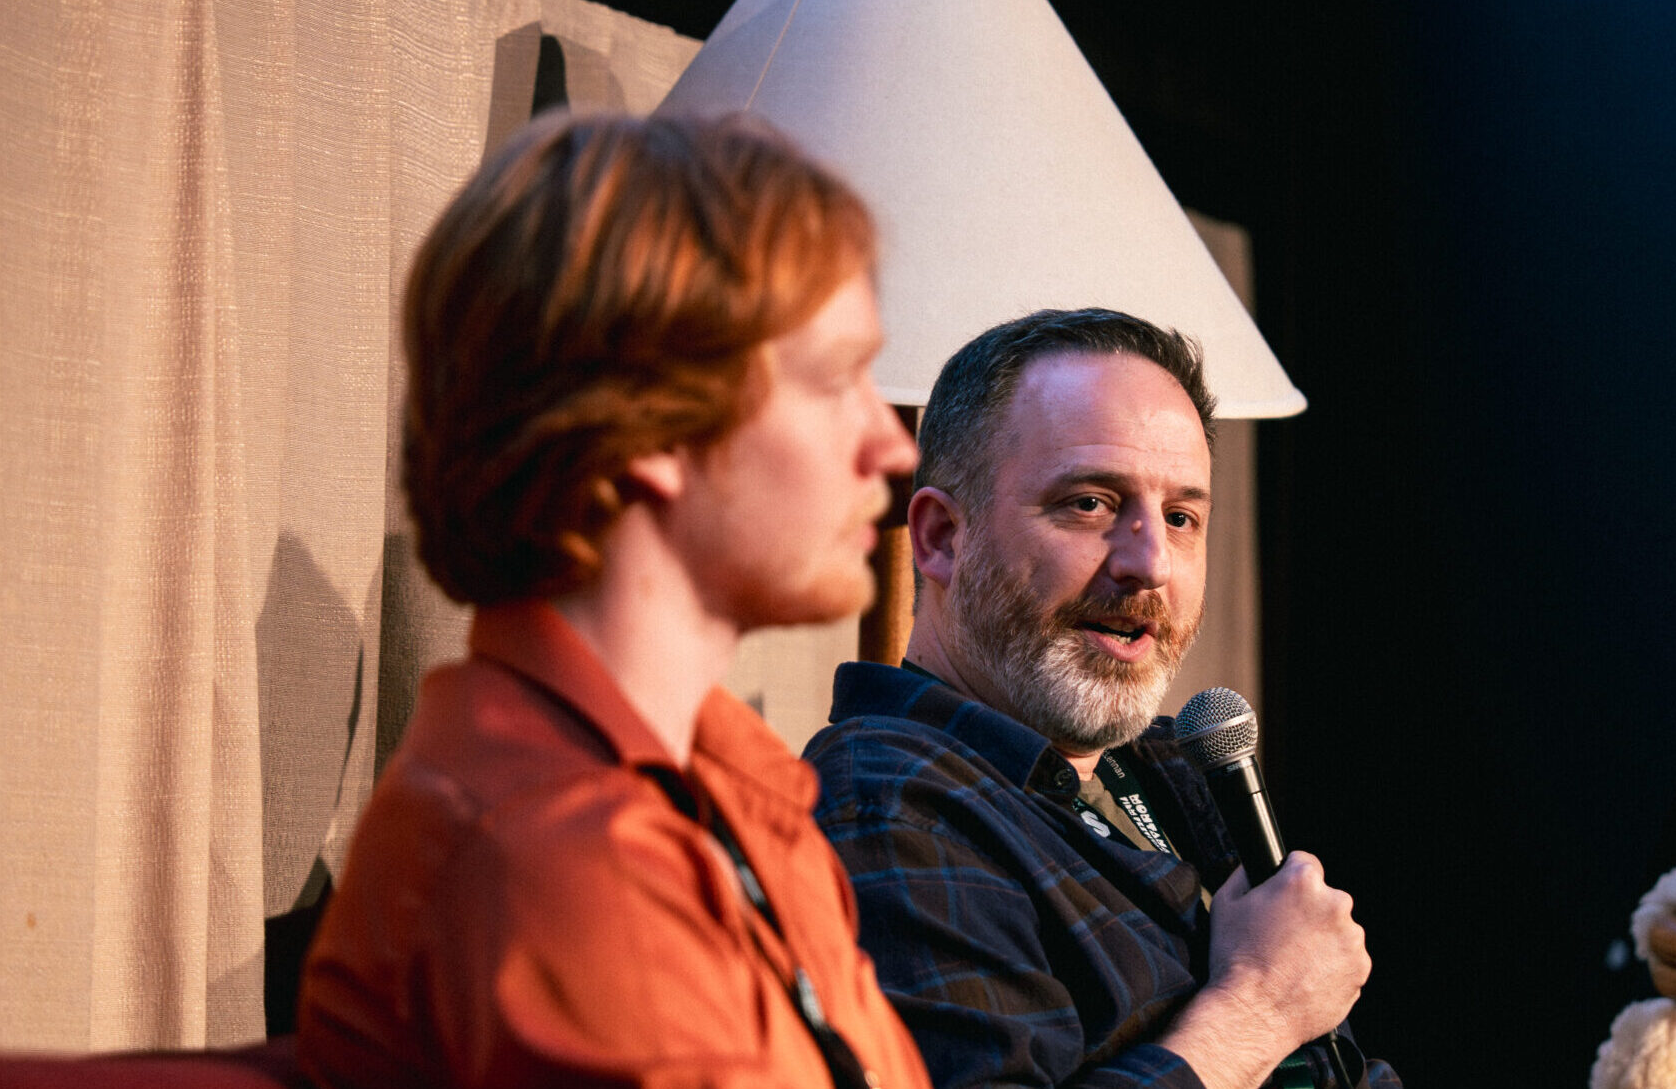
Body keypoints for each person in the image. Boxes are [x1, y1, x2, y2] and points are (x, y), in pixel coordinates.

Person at [294, 112, 931, 1089]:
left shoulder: (732, 789)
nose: (893, 449)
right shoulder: (559, 863)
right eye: (836, 380)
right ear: (653, 430)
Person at [802, 309, 1397, 1089]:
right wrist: (1259, 1008)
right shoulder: (886, 808)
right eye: (1091, 503)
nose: (1151, 563)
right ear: (942, 536)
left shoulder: (1171, 762)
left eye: (1181, 517)